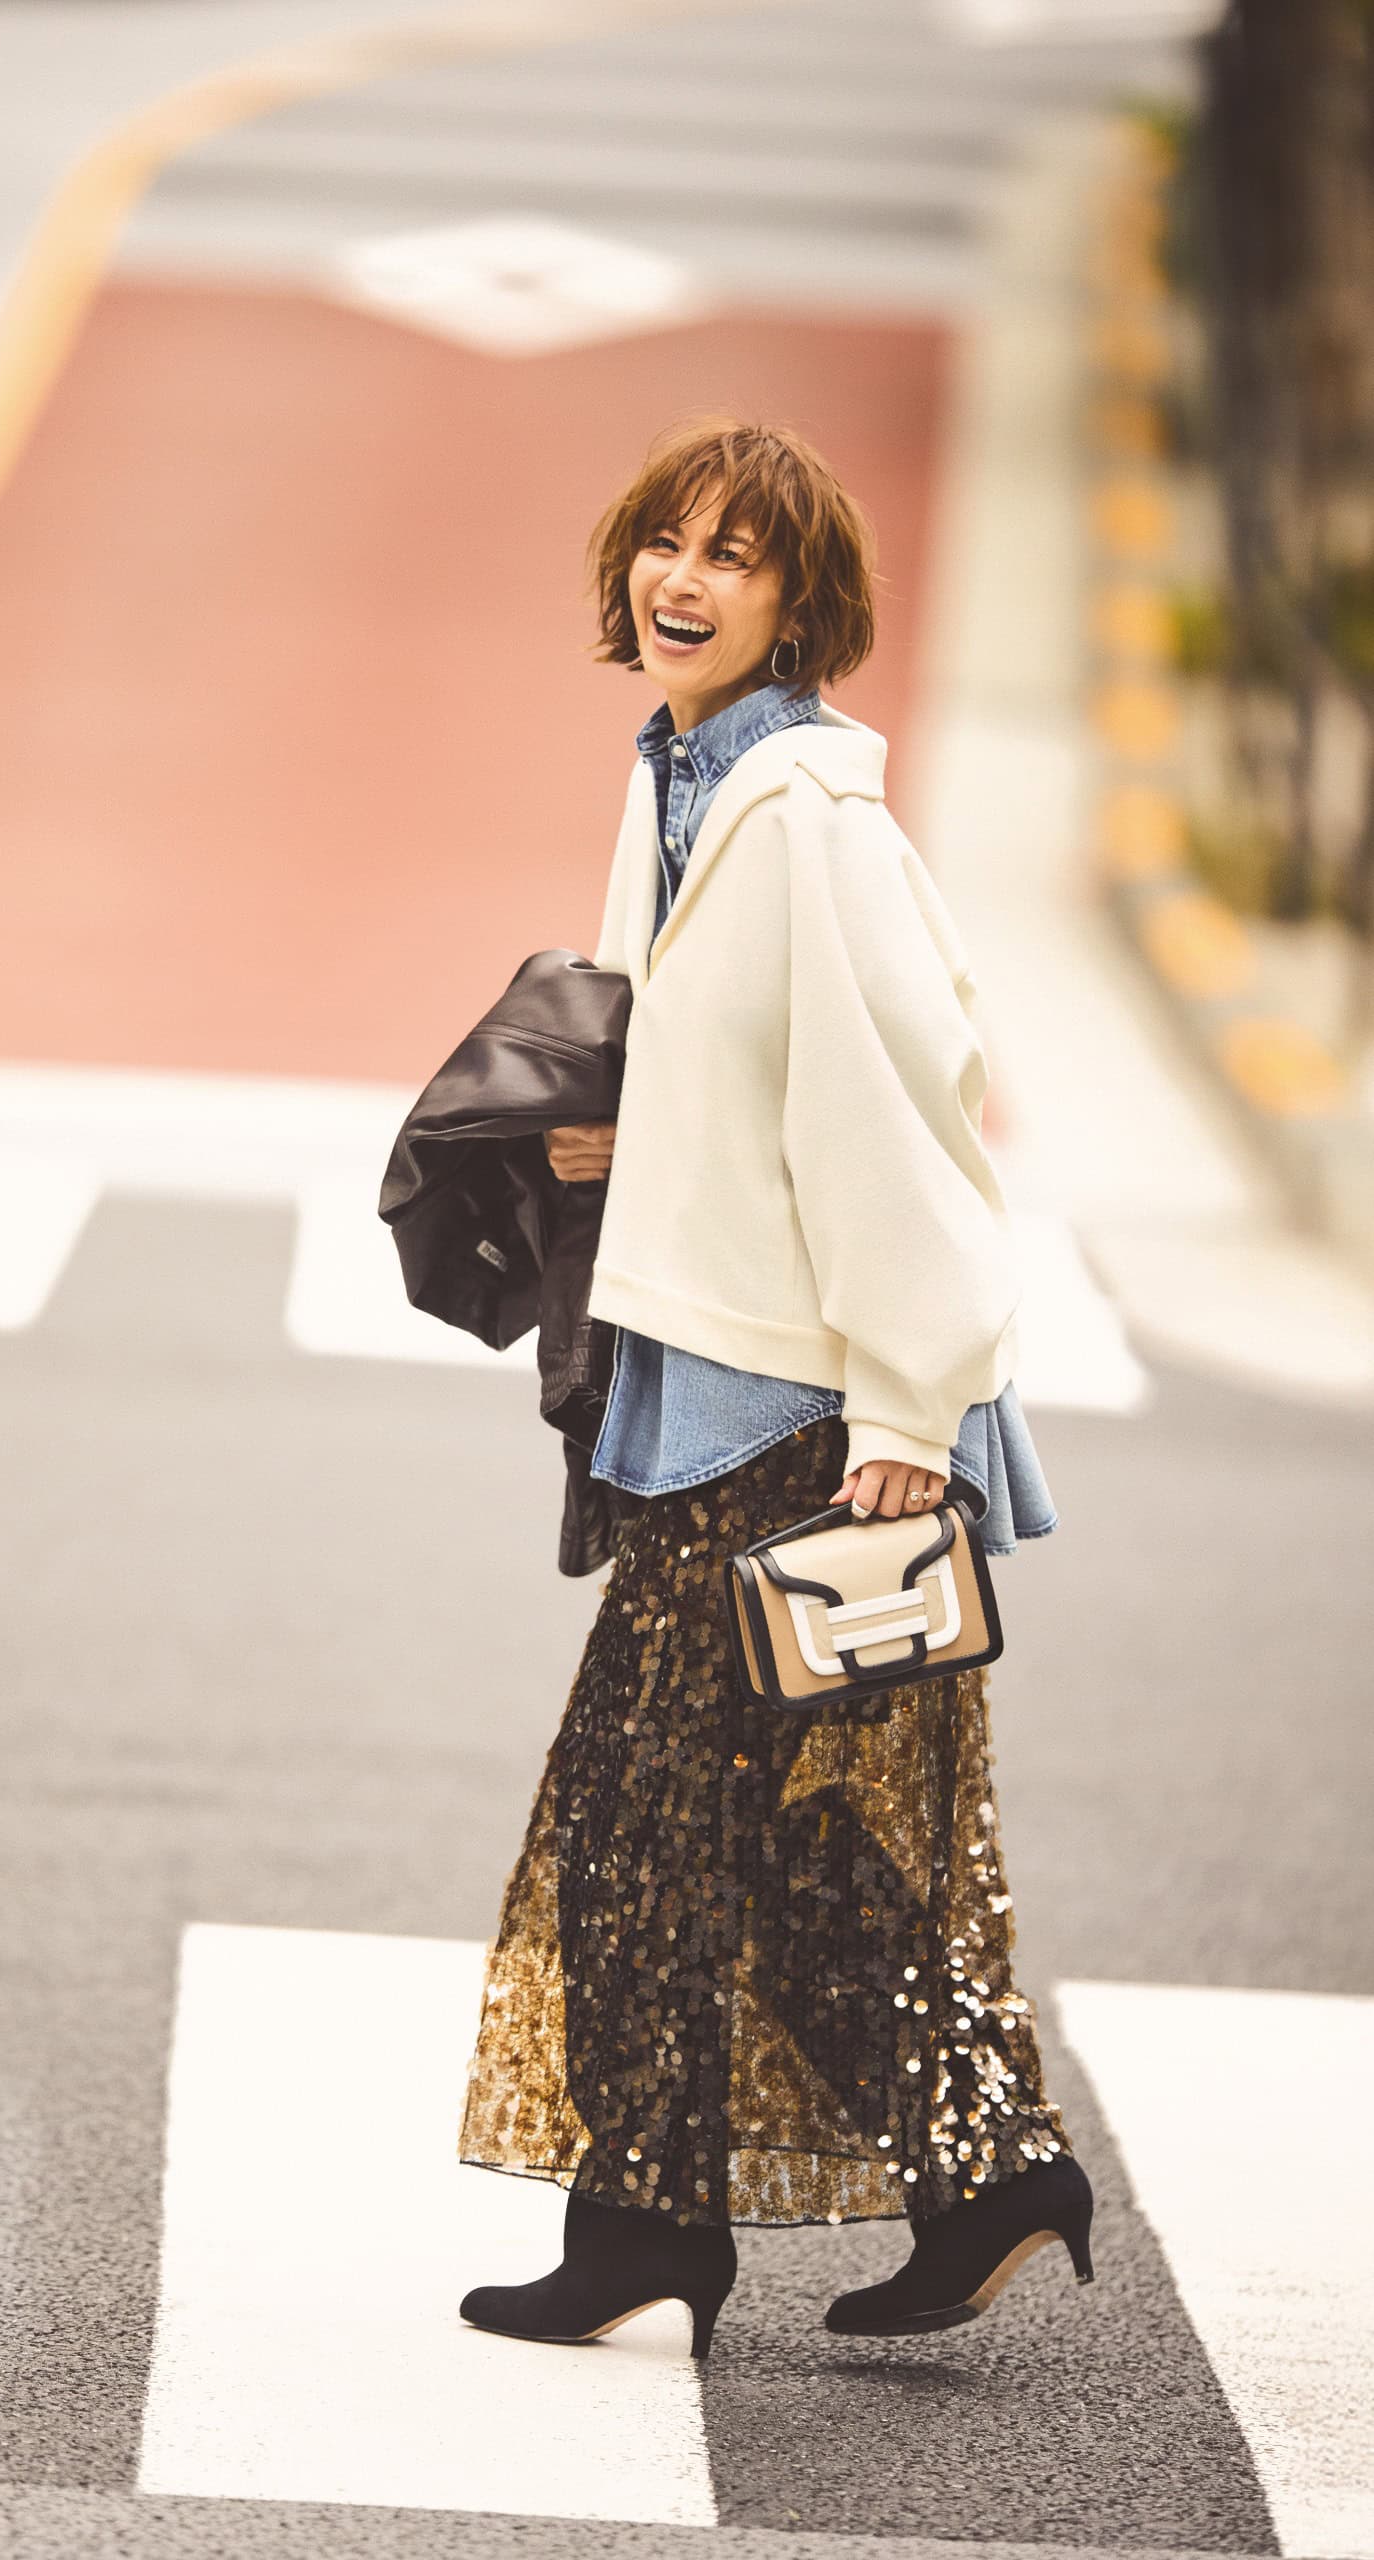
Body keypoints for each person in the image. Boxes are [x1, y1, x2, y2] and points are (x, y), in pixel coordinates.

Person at [456, 417, 1093, 2353]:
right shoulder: (679, 776)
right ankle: (972, 2171)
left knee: (642, 1821)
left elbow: (901, 1111)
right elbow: (708, 1064)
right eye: (665, 539)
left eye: (732, 555)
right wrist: (605, 1133)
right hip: (702, 1378)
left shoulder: (804, 818)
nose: (683, 577)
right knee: (759, 1830)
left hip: (801, 1416)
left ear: (797, 605)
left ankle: (658, 2224)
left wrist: (906, 1413)